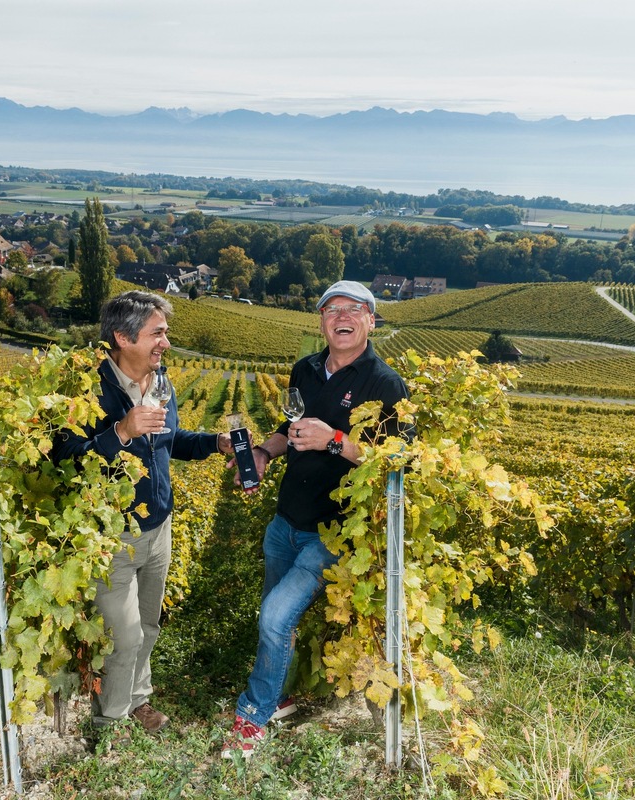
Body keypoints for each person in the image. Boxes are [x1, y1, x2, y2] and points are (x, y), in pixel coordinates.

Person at [222, 280, 409, 760]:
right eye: (330, 309)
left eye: (353, 309)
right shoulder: (304, 368)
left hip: (335, 530)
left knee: (275, 615)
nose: (340, 317)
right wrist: (265, 450)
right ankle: (279, 696)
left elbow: (399, 460)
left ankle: (254, 714)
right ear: (321, 320)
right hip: (286, 519)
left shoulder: (385, 384)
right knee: (274, 621)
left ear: (371, 320)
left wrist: (334, 440)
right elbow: (291, 429)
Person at [55, 290, 232, 745]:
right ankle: (109, 725)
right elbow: (65, 459)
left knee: (149, 625)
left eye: (165, 333)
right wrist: (120, 431)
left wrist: (215, 443)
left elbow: (172, 440)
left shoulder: (160, 382)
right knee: (124, 636)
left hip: (159, 527)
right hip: (111, 535)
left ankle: (137, 698)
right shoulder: (87, 389)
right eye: (157, 333)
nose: (165, 343)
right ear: (122, 337)